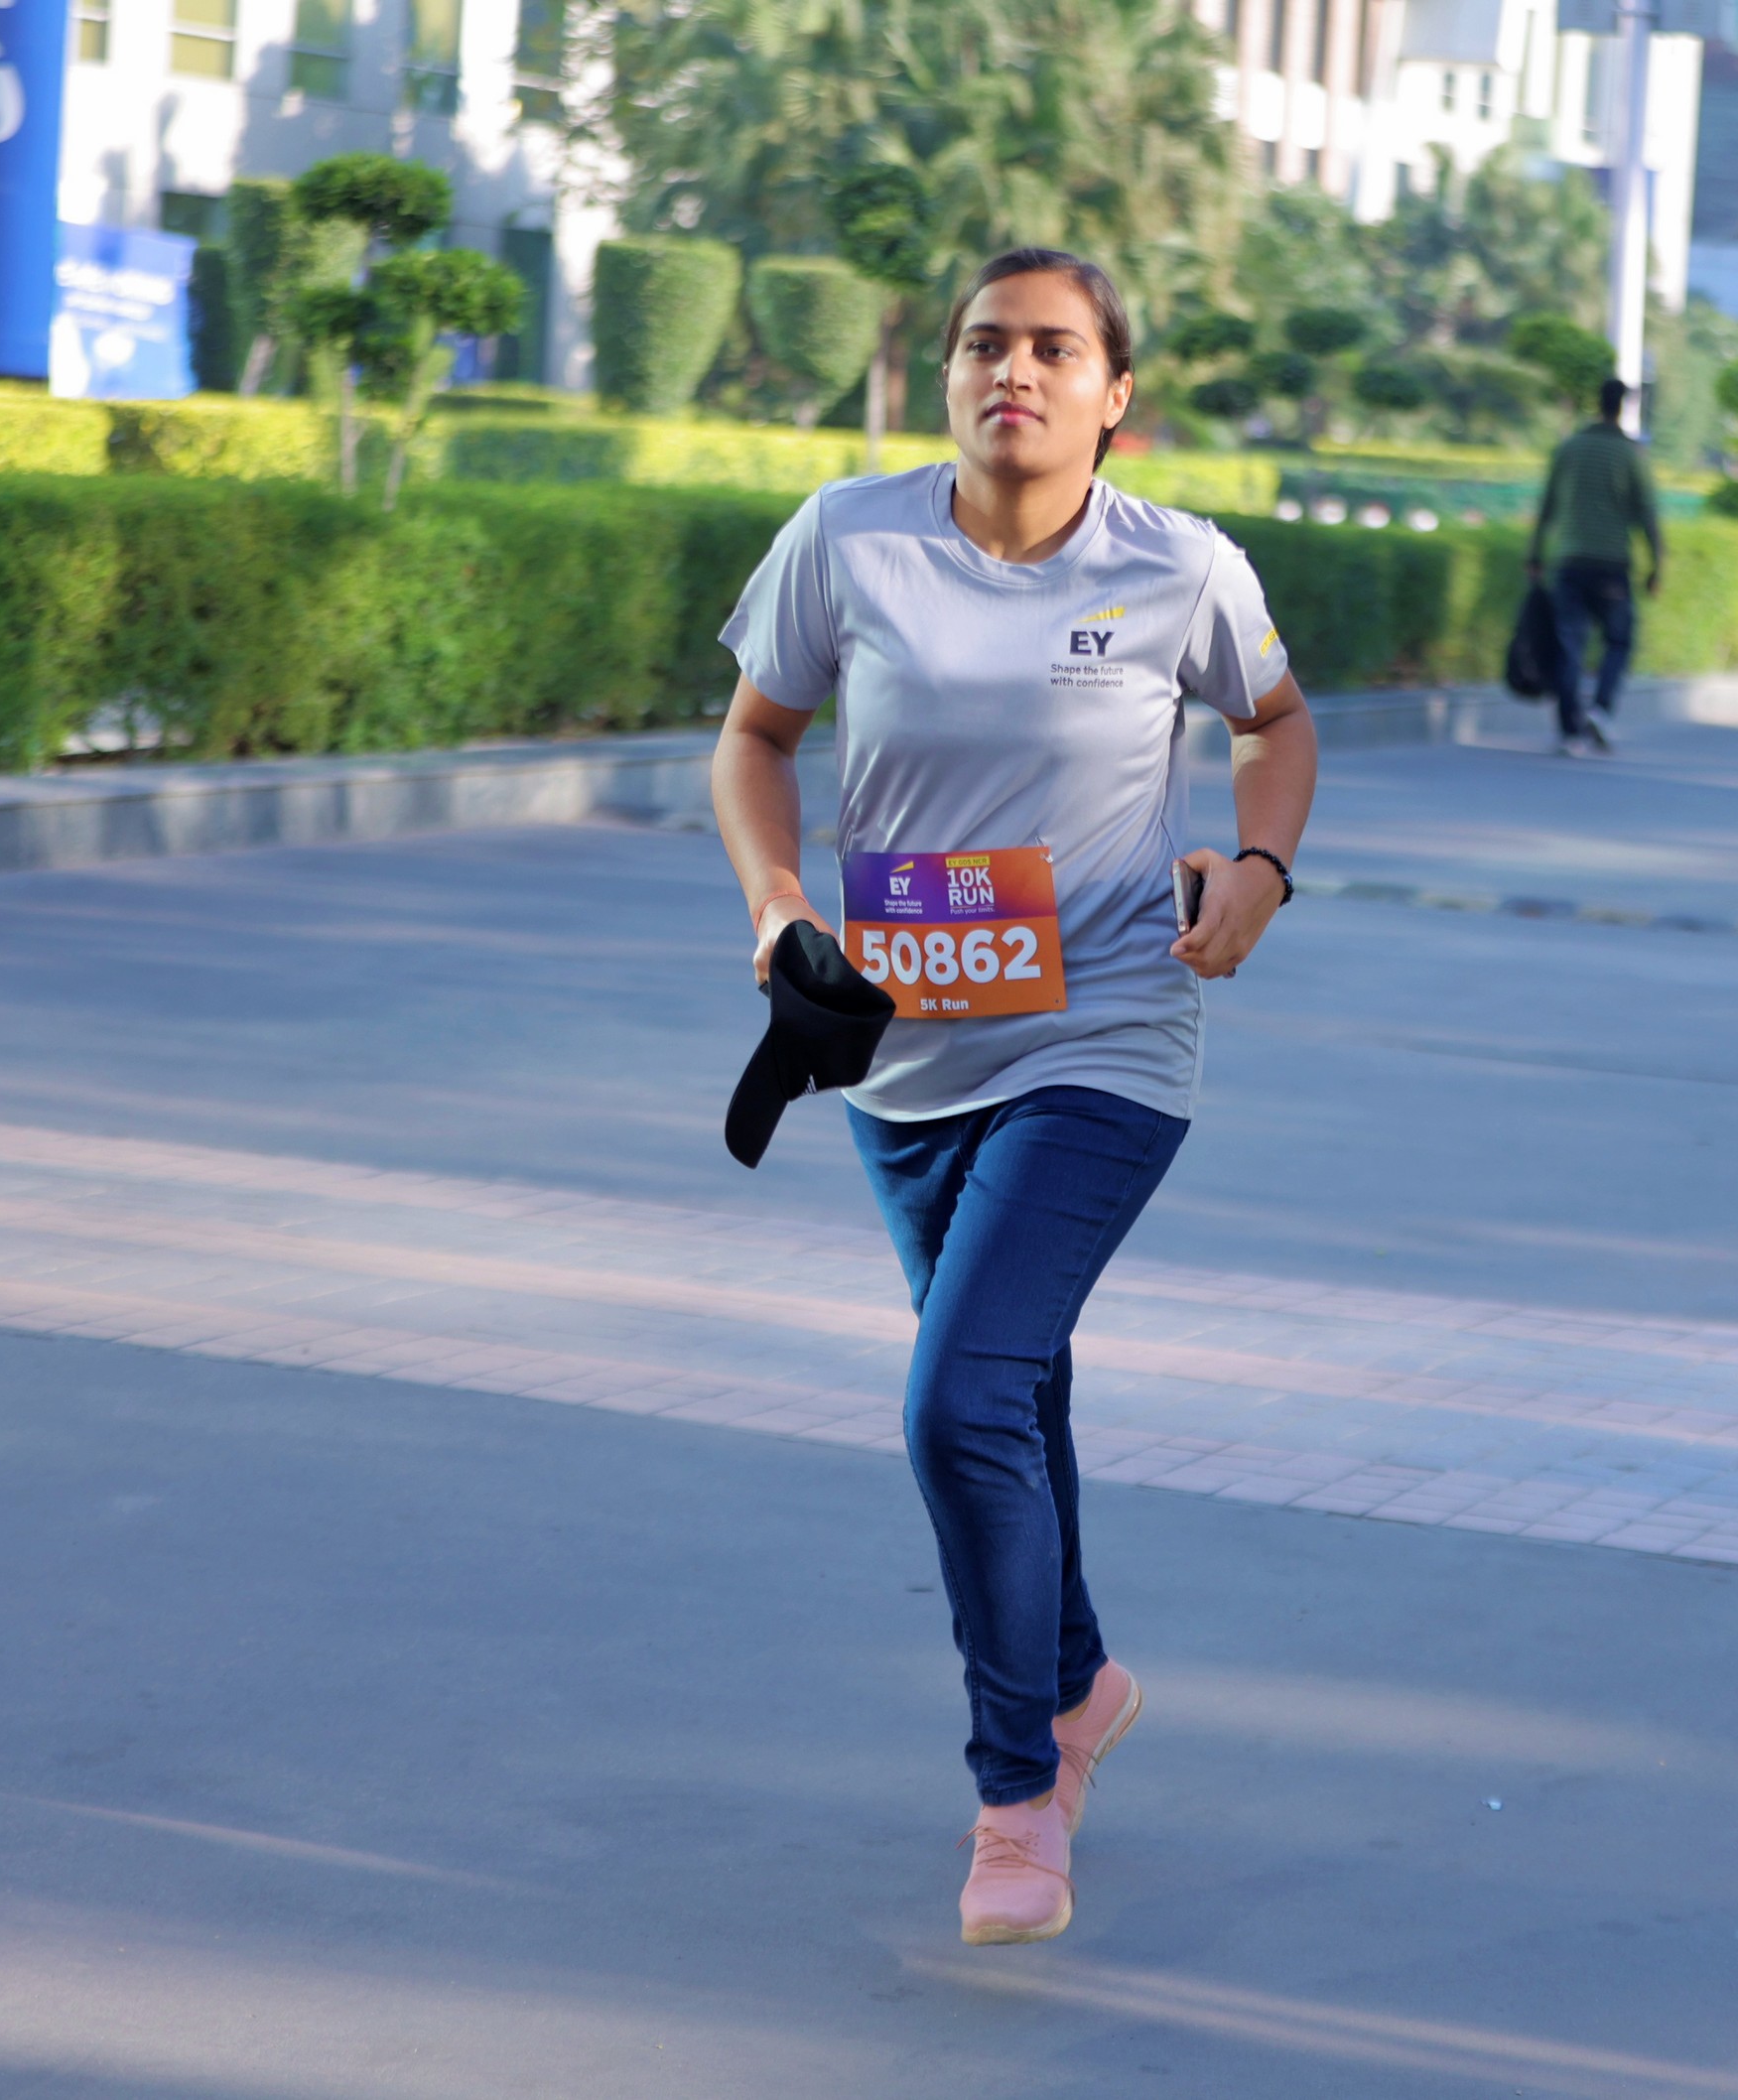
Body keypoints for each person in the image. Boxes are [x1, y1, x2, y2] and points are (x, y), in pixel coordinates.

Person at [709, 248, 1318, 1946]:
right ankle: (1078, 1677)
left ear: (1113, 393)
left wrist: (1257, 871)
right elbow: (752, 739)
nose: (1014, 372)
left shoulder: (1178, 566)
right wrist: (776, 905)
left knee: (953, 1399)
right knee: (1010, 1388)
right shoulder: (847, 539)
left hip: (1102, 1038)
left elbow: (1276, 724)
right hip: (900, 1055)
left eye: (1054, 349)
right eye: (985, 343)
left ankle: (1016, 1793)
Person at [1527, 376, 1665, 756]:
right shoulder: (1630, 455)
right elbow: (1647, 513)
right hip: (1612, 565)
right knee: (1618, 641)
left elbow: (1547, 506)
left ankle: (1569, 731)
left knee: (1569, 644)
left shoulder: (1569, 448)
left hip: (1569, 561)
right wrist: (1657, 563)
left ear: (1596, 402)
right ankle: (1600, 709)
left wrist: (1535, 554)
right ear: (1622, 407)